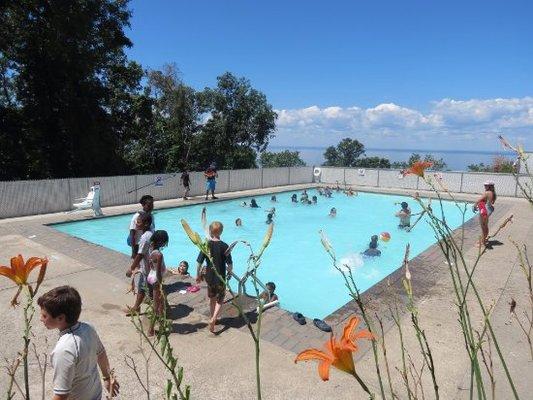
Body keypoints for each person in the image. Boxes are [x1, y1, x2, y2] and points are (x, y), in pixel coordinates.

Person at [38, 286, 120, 400]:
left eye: (44, 315)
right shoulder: (88, 328)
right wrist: (107, 377)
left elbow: (61, 395)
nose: (40, 319)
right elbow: (100, 353)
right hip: (95, 394)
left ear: (61, 318)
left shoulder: (63, 350)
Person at [196, 221, 233, 333]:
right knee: (220, 299)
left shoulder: (206, 245)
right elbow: (230, 264)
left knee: (212, 298)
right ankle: (213, 319)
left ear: (210, 231)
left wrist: (197, 274)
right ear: (221, 231)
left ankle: (212, 318)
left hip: (209, 277)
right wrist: (230, 272)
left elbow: (199, 262)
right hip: (220, 276)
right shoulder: (225, 246)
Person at [125, 213, 154, 315]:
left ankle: (137, 308)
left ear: (145, 224)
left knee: (146, 290)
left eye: (138, 222)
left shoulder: (145, 237)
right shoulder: (149, 233)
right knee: (145, 289)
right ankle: (137, 307)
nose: (136, 223)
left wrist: (131, 268)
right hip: (148, 268)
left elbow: (140, 255)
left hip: (149, 270)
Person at [147, 230, 169, 336]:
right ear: (161, 242)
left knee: (160, 304)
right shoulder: (159, 255)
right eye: (165, 242)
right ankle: (151, 329)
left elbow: (151, 266)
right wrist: (161, 286)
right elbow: (159, 272)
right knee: (156, 305)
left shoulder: (151, 250)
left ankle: (161, 325)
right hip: (157, 280)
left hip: (151, 276)